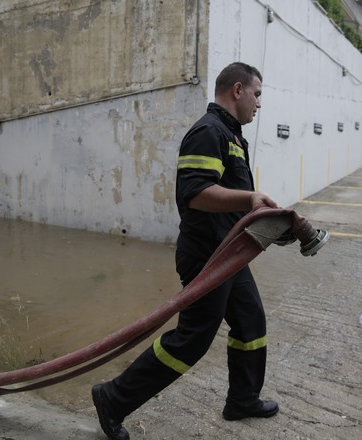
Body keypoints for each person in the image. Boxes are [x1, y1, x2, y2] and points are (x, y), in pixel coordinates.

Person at [91, 62, 281, 440]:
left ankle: (242, 399)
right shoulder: (208, 132)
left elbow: (227, 201)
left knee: (251, 322)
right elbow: (196, 194)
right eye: (258, 95)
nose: (260, 104)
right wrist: (251, 198)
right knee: (191, 340)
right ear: (238, 90)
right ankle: (113, 398)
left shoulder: (231, 135)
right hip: (207, 257)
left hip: (229, 254)